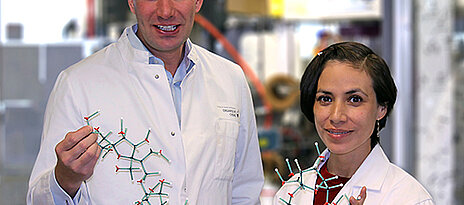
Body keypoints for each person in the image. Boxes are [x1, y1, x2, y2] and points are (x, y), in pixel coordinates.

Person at [27, 0, 264, 204]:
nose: (165, 11)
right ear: (132, 2)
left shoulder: (230, 79)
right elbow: (38, 200)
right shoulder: (77, 83)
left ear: (198, 2)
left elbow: (246, 191)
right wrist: (65, 178)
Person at [273, 42, 434, 205]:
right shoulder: (289, 193)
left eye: (354, 99)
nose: (336, 116)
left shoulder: (410, 198)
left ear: (381, 108)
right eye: (325, 99)